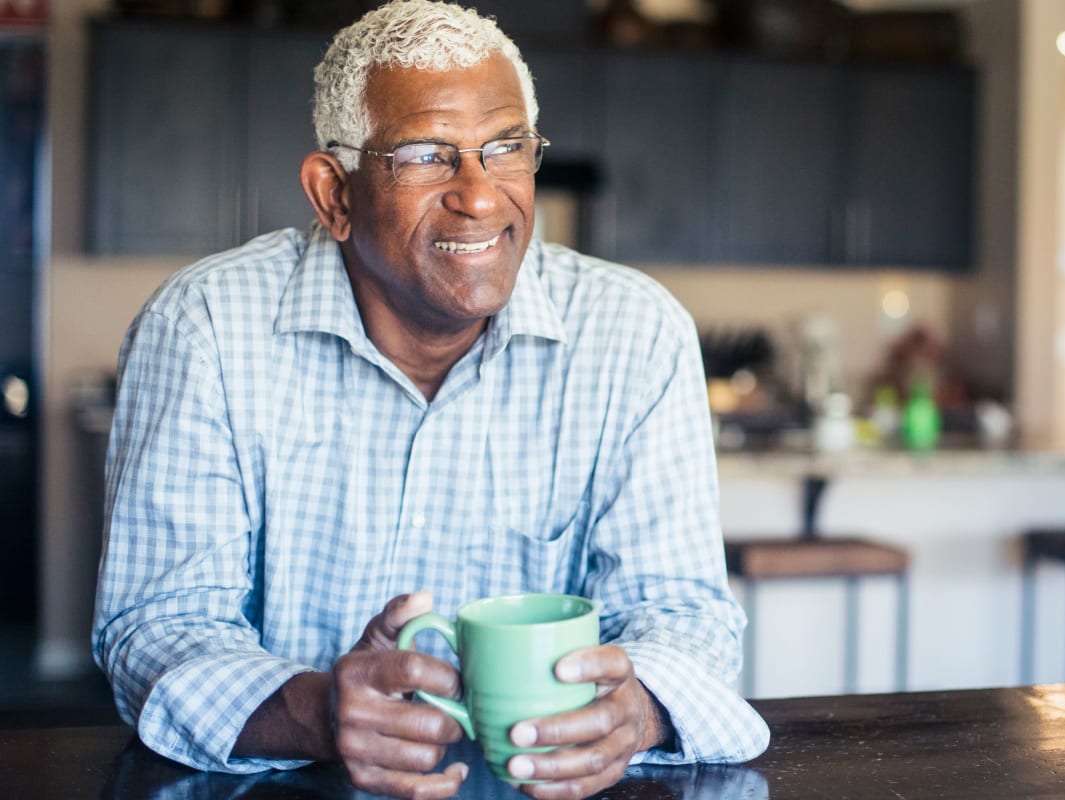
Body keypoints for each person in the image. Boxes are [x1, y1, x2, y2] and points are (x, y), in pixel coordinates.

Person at [91, 2, 770, 798]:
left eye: (505, 148)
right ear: (334, 194)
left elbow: (682, 613)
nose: (480, 197)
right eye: (425, 155)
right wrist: (318, 712)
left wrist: (643, 708)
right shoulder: (203, 330)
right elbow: (157, 629)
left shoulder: (635, 334)